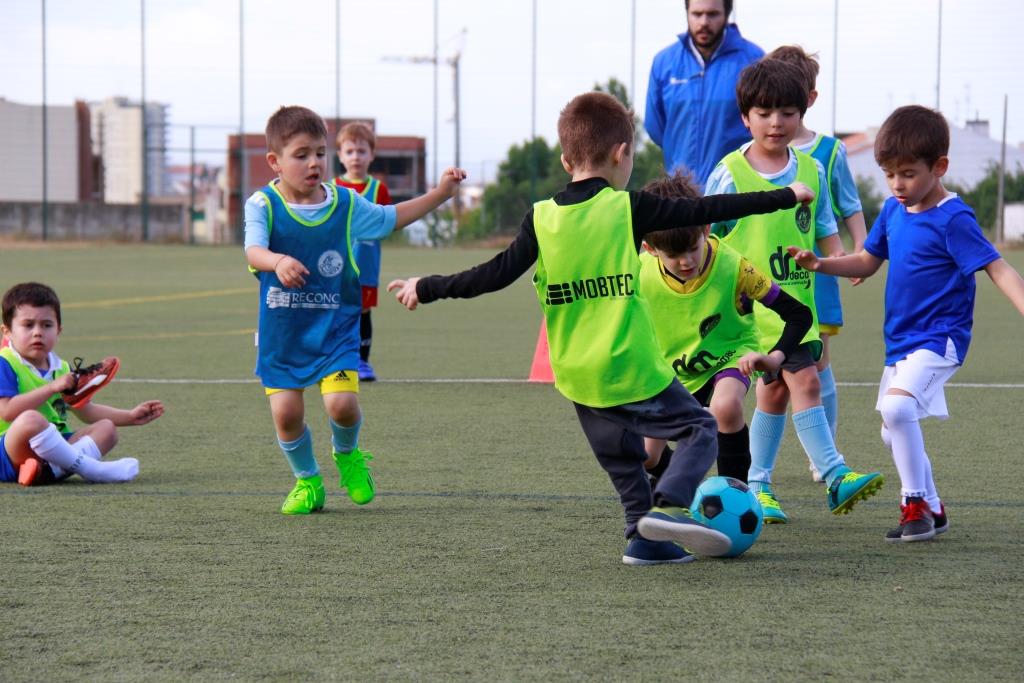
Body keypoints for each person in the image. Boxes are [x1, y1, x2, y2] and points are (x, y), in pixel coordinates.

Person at [387, 91, 813, 565]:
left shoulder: (541, 217)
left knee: (624, 458)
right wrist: (785, 195)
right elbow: (708, 209)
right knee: (699, 429)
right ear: (622, 154)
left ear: (566, 159)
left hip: (576, 375)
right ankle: (669, 506)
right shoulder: (627, 208)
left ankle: (644, 539)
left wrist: (427, 287)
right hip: (628, 365)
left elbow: (493, 274)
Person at [789, 105, 1024, 543]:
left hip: (941, 338)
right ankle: (934, 508)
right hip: (900, 343)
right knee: (890, 429)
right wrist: (821, 262)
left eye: (908, 174)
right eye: (889, 174)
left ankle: (913, 504)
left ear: (939, 167)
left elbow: (997, 268)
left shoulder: (954, 219)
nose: (897, 184)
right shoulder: (895, 212)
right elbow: (867, 260)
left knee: (896, 410)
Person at [244, 105, 465, 515]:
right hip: (283, 336)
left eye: (320, 153)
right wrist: (276, 261)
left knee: (341, 405)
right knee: (286, 414)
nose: (314, 163)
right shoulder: (262, 205)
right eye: (301, 154)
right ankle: (308, 482)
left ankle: (347, 455)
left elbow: (391, 218)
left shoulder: (345, 204)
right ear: (275, 161)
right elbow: (253, 250)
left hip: (335, 331)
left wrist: (439, 194)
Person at [705, 58, 883, 523]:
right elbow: (706, 236)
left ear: (802, 112)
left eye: (787, 111)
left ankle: (761, 486)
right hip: (749, 311)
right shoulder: (728, 172)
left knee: (782, 393)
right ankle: (834, 474)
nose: (776, 122)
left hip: (795, 307)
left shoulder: (811, 168)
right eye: (764, 112)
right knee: (798, 383)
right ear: (746, 117)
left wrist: (843, 263)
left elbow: (824, 227)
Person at [637, 173, 813, 486]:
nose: (686, 261)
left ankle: (736, 496)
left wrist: (775, 357)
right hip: (672, 370)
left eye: (692, 247)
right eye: (673, 255)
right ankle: (684, 491)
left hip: (730, 355)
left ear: (706, 229)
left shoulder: (735, 267)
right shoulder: (638, 272)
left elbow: (799, 315)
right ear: (651, 249)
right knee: (646, 455)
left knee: (725, 406)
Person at [769, 45, 869, 482]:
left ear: (808, 98)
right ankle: (761, 470)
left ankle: (821, 454)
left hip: (816, 275)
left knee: (819, 360)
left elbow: (847, 206)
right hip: (769, 274)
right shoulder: (751, 156)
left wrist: (858, 254)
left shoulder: (830, 152)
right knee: (772, 376)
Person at [0, 282, 163, 486]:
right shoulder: (5, 362)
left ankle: (46, 472)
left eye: (47, 325)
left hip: (53, 449)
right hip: (10, 450)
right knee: (31, 420)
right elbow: (6, 411)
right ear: (7, 332)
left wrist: (130, 416)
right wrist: (51, 388)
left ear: (59, 330)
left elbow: (86, 411)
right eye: (28, 325)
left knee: (107, 429)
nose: (38, 332)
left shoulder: (61, 368)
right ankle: (90, 469)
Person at [645, 0, 763, 185]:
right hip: (680, 192)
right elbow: (655, 127)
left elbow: (762, 126)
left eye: (712, 14)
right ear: (687, 12)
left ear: (726, 14)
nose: (704, 22)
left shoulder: (754, 60)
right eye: (697, 14)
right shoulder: (664, 63)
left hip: (735, 190)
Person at [334, 122, 393, 382]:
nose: (355, 157)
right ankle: (333, 359)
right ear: (340, 156)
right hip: (337, 264)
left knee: (363, 311)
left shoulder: (378, 189)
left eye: (361, 151)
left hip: (367, 265)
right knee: (335, 310)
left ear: (372, 154)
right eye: (349, 151)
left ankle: (362, 362)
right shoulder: (332, 187)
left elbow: (388, 222)